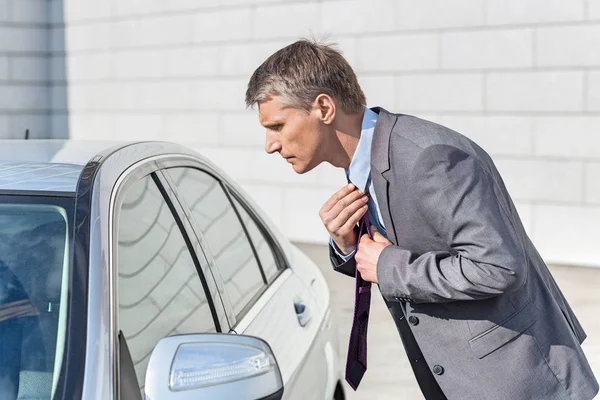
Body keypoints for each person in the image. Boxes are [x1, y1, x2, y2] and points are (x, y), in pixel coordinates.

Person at [245, 39, 599, 400]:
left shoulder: (429, 158)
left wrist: (386, 265)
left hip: (517, 382)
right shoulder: (365, 161)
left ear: (323, 107)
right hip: (460, 380)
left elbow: (499, 267)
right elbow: (401, 254)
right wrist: (350, 247)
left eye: (277, 125)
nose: (270, 144)